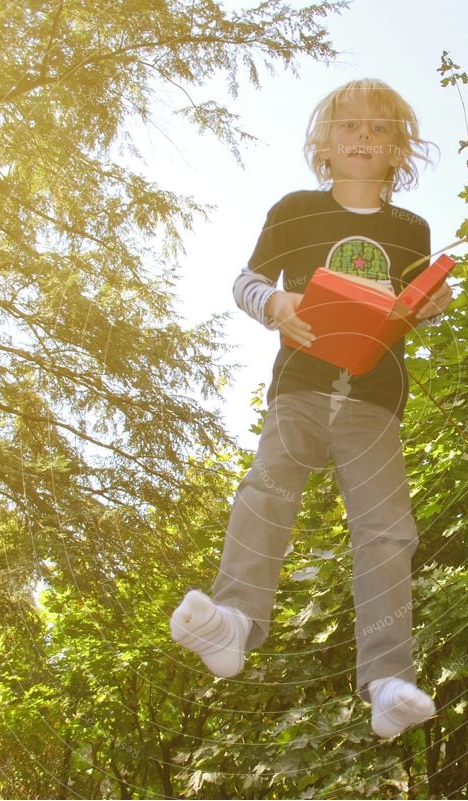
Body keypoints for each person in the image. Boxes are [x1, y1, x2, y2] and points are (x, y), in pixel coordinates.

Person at [170, 79, 453, 738]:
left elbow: (404, 308)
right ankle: (233, 621)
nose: (362, 137)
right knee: (265, 489)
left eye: (378, 129)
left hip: (375, 399)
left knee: (388, 531)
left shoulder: (409, 229)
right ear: (322, 145)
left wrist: (428, 306)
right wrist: (275, 305)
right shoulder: (295, 210)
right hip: (299, 385)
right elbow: (246, 279)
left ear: (398, 149)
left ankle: (387, 679)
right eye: (349, 126)